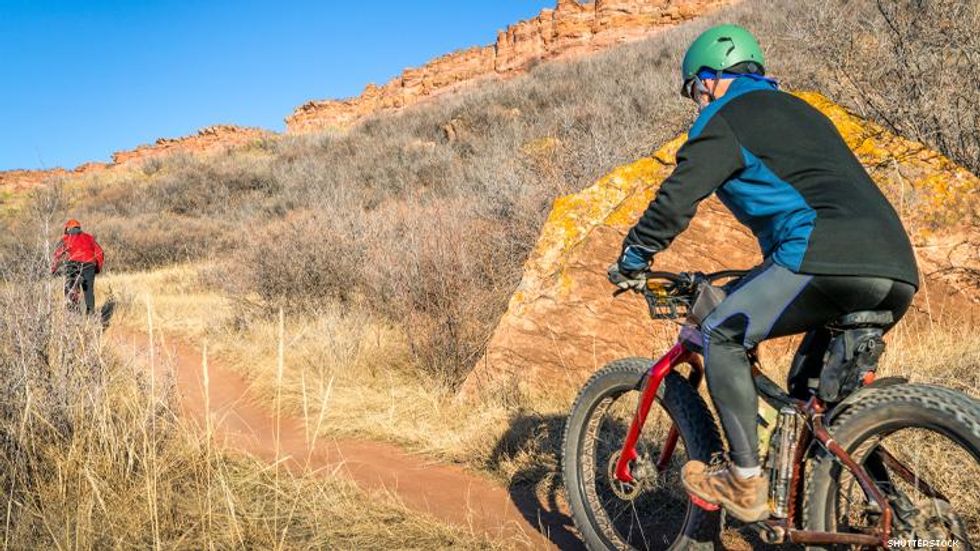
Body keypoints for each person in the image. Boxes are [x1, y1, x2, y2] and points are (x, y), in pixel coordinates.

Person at [607, 24, 918, 522]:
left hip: (821, 254)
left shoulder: (725, 116)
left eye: (694, 89)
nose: (697, 100)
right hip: (895, 268)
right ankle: (877, 509)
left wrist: (634, 256)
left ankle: (745, 481)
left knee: (721, 335)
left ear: (709, 77)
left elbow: (676, 199)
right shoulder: (805, 113)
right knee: (811, 391)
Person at [51, 219, 105, 315]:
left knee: (70, 290)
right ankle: (90, 317)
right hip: (89, 265)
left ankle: (73, 316)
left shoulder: (66, 239)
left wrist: (52, 269)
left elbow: (56, 255)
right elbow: (100, 253)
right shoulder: (89, 237)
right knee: (89, 292)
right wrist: (97, 268)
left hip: (73, 265)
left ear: (68, 229)